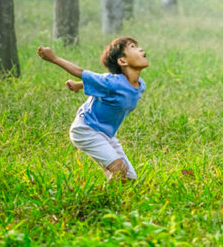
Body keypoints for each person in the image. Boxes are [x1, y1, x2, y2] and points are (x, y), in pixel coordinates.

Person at [37, 37, 148, 181]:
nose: (140, 49)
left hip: (106, 134)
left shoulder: (140, 85)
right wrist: (54, 58)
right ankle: (103, 199)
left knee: (129, 178)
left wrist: (78, 85)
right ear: (122, 61)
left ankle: (112, 184)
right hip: (86, 129)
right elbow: (80, 72)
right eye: (133, 47)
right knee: (119, 169)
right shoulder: (111, 82)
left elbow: (100, 85)